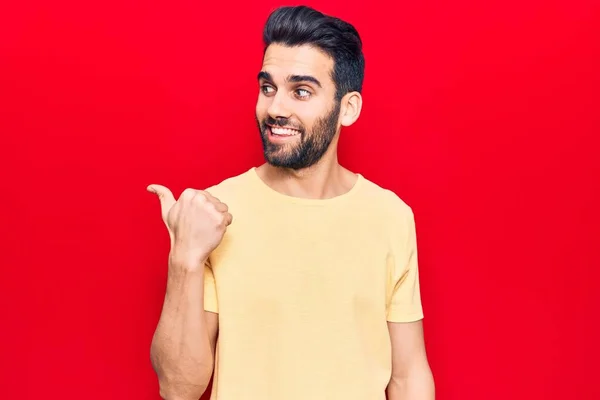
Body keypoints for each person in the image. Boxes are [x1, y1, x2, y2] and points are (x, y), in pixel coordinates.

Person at [147, 5, 435, 400]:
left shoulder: (391, 217)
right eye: (268, 88)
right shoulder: (216, 214)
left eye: (301, 91)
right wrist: (185, 258)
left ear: (347, 108)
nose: (276, 108)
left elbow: (408, 375)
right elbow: (178, 388)